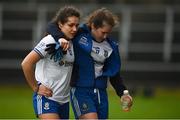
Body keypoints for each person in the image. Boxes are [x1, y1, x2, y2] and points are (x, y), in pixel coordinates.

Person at [46, 8, 133, 119]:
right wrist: (60, 39)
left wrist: (123, 93)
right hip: (81, 91)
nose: (105, 36)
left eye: (108, 32)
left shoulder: (111, 47)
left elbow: (114, 73)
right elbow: (52, 26)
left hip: (101, 93)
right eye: (103, 32)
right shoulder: (78, 34)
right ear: (93, 26)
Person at [21, 6, 80, 119]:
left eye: (76, 25)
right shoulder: (49, 40)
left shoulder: (72, 42)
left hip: (64, 101)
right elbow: (26, 64)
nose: (75, 29)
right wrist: (36, 87)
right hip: (47, 98)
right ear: (60, 24)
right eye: (70, 25)